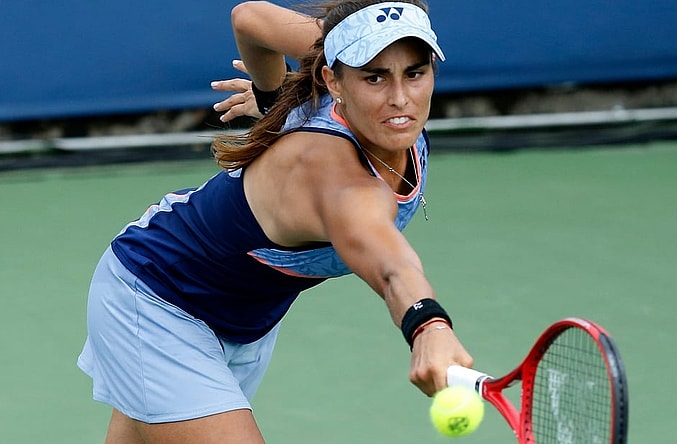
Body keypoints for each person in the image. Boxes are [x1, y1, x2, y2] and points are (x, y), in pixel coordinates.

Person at [77, 0, 474, 442]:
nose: (400, 98)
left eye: (415, 73)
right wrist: (428, 325)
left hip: (242, 322)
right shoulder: (335, 176)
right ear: (333, 80)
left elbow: (250, 19)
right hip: (157, 297)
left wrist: (275, 102)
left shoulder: (348, 57)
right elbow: (388, 262)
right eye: (374, 77)